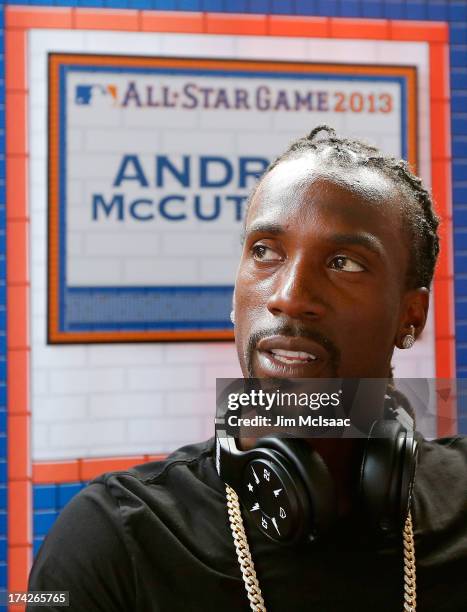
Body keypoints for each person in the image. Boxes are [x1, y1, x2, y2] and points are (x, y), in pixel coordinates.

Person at [28, 127, 467, 611]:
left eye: (344, 262)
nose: (289, 296)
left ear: (411, 316)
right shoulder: (113, 539)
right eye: (265, 252)